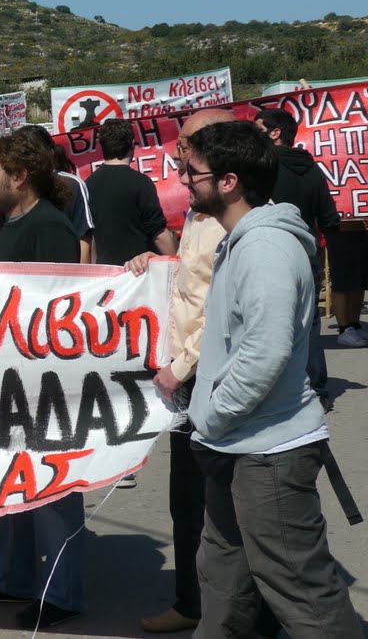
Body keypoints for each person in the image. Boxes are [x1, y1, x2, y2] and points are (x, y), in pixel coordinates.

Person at [181, 119, 358, 636]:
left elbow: (265, 352)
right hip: (238, 444)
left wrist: (213, 416)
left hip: (270, 451)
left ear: (228, 181)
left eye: (192, 171)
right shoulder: (242, 240)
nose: (183, 180)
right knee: (224, 580)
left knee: (301, 590)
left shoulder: (265, 249)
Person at [0, 132, 83, 629]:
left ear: (20, 176)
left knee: (52, 490)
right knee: (7, 481)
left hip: (41, 382)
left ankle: (61, 593)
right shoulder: (5, 225)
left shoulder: (50, 228)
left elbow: (57, 311)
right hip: (1, 378)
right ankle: (11, 576)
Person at [126, 107, 236, 634]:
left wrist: (182, 365)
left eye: (188, 144)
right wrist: (154, 264)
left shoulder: (237, 220)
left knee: (215, 506)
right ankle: (192, 603)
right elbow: (191, 282)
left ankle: (225, 612)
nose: (177, 152)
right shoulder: (197, 211)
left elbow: (222, 305)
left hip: (208, 382)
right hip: (187, 382)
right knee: (186, 503)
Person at [255, 108, 340, 403]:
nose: (254, 135)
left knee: (268, 323)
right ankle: (316, 390)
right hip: (307, 257)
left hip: (269, 254)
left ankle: (277, 392)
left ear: (275, 133)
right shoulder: (313, 169)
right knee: (309, 324)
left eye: (258, 129)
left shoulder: (262, 169)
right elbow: (329, 218)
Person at [85, 119, 177, 266]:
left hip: (108, 274)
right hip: (140, 272)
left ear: (102, 146)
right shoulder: (141, 183)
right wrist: (176, 263)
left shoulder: (88, 184)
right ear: (132, 144)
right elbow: (158, 233)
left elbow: (92, 238)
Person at [11, 124, 94, 263]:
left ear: (50, 153)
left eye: (31, 152)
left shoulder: (72, 185)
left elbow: (83, 238)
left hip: (63, 274)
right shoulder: (12, 186)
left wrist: (81, 279)